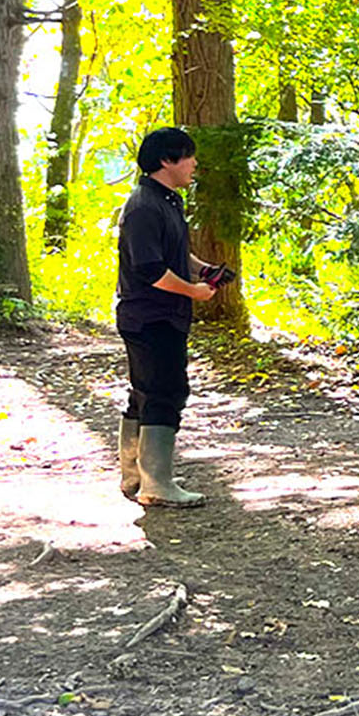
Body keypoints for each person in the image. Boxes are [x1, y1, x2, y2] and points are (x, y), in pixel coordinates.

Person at [115, 127, 224, 508]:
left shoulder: (166, 201)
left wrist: (201, 270)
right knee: (164, 393)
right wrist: (193, 291)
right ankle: (156, 485)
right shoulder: (144, 206)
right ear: (167, 160)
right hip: (151, 316)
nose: (194, 164)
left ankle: (135, 477)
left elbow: (172, 256)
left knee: (146, 392)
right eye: (188, 156)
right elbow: (149, 268)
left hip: (161, 315)